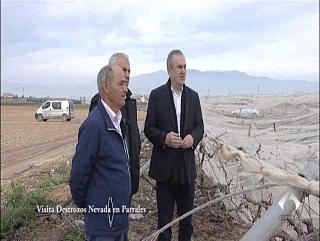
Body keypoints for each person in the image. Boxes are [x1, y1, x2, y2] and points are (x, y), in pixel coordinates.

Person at [144, 50, 204, 241]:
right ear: (169, 70)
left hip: (186, 170)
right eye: (179, 67)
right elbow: (149, 128)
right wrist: (165, 139)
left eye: (185, 66)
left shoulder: (193, 97)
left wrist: (193, 138)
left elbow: (200, 126)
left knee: (187, 223)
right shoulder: (156, 96)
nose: (183, 71)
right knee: (164, 223)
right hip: (165, 171)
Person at [70, 65, 131, 240]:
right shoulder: (94, 127)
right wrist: (94, 207)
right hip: (103, 227)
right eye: (121, 84)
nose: (125, 89)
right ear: (106, 87)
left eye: (125, 83)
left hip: (118, 221)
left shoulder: (119, 122)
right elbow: (78, 177)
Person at [89, 53, 140, 197]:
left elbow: (133, 138)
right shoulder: (99, 103)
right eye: (124, 70)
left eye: (129, 71)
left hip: (127, 186)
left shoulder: (130, 102)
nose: (127, 75)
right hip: (107, 191)